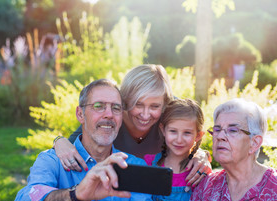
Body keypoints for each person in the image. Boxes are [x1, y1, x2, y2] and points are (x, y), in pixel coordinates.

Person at [13, 79, 165, 201]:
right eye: (98, 106)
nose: (109, 114)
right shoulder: (52, 161)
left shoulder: (134, 166)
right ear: (80, 114)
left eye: (116, 108)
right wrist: (77, 194)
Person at [54, 64, 211, 186]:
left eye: (154, 107)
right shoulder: (114, 115)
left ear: (164, 104)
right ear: (126, 100)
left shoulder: (169, 112)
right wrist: (59, 141)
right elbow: (77, 138)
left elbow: (190, 130)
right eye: (138, 104)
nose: (145, 114)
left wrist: (198, 154)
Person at [144, 99, 205, 201]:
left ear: (198, 135)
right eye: (173, 131)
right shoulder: (148, 165)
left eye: (187, 133)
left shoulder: (199, 173)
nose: (179, 139)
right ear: (163, 130)